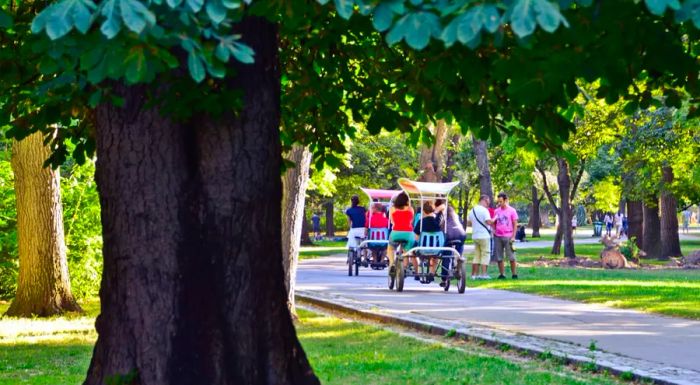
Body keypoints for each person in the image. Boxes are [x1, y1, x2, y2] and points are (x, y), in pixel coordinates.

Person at [387, 192, 414, 278]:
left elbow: (392, 221)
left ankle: (391, 264)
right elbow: (411, 221)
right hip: (408, 234)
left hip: (396, 232)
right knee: (406, 251)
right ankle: (404, 268)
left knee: (390, 248)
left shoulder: (392, 209)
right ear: (407, 201)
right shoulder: (410, 209)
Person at [438, 204, 466, 287]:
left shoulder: (444, 218)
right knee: (459, 249)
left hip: (449, 236)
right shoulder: (456, 216)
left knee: (446, 255)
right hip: (461, 235)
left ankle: (444, 277)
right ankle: (459, 261)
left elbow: (440, 227)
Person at [413, 201, 442, 282]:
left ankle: (417, 272)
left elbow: (416, 237)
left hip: (422, 248)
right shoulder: (438, 222)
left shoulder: (421, 222)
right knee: (435, 256)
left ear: (423, 211)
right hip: (436, 249)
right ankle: (431, 273)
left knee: (412, 251)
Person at [467, 195, 494, 280]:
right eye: (488, 201)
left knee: (477, 255)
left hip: (475, 235)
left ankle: (474, 275)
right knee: (485, 254)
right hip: (484, 235)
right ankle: (484, 274)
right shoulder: (484, 210)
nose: (488, 203)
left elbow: (469, 222)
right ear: (484, 200)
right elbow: (489, 222)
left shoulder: (472, 210)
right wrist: (495, 218)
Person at [493, 192, 518, 279]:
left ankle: (514, 274)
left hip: (508, 236)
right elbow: (494, 222)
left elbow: (515, 224)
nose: (499, 203)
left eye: (501, 201)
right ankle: (502, 274)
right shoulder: (496, 211)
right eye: (498, 202)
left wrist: (513, 236)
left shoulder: (512, 210)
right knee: (499, 257)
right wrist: (494, 230)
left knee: (511, 257)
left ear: (505, 200)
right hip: (498, 236)